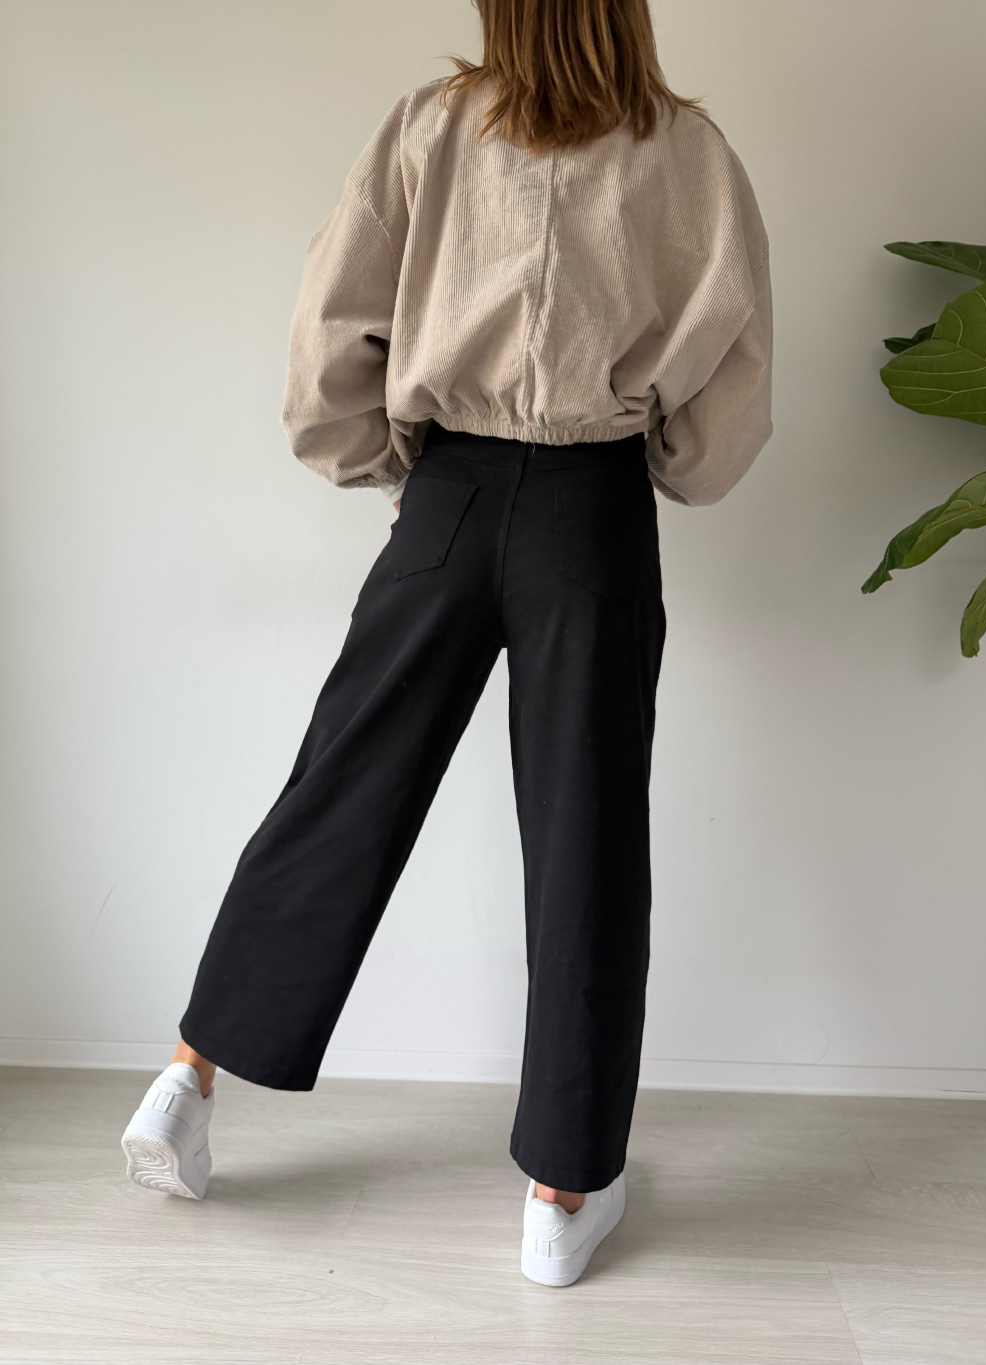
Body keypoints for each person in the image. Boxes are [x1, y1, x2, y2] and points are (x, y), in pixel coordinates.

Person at [120, 0, 772, 1288]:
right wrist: (668, 463)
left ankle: (186, 1084)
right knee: (587, 838)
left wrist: (395, 470)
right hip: (592, 514)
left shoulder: (430, 128)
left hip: (450, 499)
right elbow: (729, 384)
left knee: (342, 784)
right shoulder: (690, 154)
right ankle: (561, 1195)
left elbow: (333, 331)